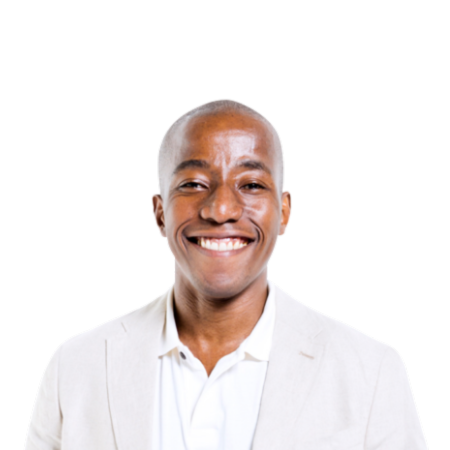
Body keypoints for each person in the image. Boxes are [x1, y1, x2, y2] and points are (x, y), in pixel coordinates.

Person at [24, 99, 428, 449]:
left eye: (250, 184)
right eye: (194, 183)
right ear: (159, 214)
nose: (221, 210)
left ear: (284, 212)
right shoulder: (76, 366)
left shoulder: (371, 372)